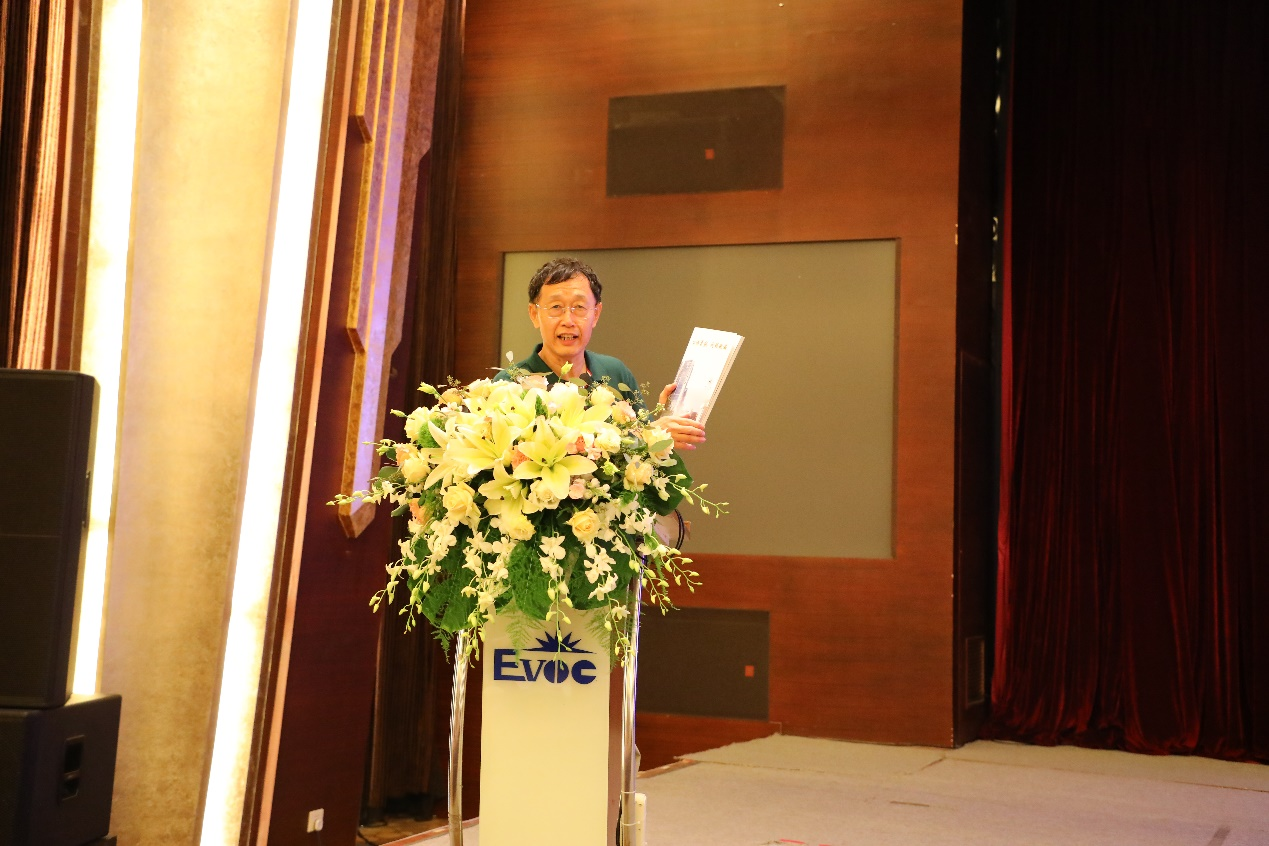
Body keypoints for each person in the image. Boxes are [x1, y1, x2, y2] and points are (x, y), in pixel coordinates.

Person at [500, 257, 707, 453]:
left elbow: (645, 457)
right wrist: (649, 436)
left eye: (579, 307)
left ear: (596, 314)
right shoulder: (509, 385)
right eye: (556, 307)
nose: (568, 320)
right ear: (534, 314)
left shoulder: (615, 372)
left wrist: (662, 426)